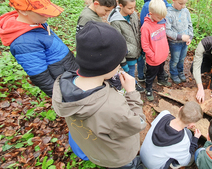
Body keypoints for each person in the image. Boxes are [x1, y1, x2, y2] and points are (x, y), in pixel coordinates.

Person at [52, 21, 147, 169]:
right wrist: (131, 92)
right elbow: (139, 123)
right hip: (119, 156)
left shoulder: (63, 83)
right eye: (117, 63)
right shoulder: (111, 108)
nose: (119, 66)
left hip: (98, 150)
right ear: (107, 65)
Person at [0, 0, 79, 98]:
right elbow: (41, 77)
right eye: (42, 12)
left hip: (68, 71)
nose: (47, 15)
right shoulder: (23, 42)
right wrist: (62, 97)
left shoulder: (36, 22)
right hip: (63, 80)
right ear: (23, 11)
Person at [140, 102, 203, 169]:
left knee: (188, 133)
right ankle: (174, 165)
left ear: (180, 109)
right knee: (189, 157)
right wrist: (195, 139)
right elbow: (185, 162)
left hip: (143, 154)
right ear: (192, 125)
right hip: (154, 166)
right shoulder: (183, 141)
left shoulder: (164, 114)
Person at [108, 0, 145, 93]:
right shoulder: (116, 22)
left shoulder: (133, 15)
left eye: (134, 7)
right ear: (121, 6)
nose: (133, 10)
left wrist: (141, 48)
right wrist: (123, 62)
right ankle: (132, 87)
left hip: (137, 49)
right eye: (130, 8)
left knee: (138, 67)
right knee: (130, 71)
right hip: (128, 54)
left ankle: (137, 80)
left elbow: (138, 31)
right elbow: (117, 44)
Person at [141, 0, 172, 101]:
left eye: (163, 16)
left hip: (162, 55)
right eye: (159, 17)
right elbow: (145, 45)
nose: (162, 18)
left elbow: (164, 36)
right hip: (153, 59)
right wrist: (153, 56)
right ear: (151, 14)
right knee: (150, 75)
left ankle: (161, 80)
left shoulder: (161, 21)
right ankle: (148, 88)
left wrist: (166, 50)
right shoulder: (146, 27)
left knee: (161, 69)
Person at [166, 0, 193, 84]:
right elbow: (167, 31)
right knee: (175, 59)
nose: (183, 6)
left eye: (185, 3)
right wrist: (180, 37)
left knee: (182, 59)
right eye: (180, 3)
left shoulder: (185, 11)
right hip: (175, 42)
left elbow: (190, 25)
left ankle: (180, 72)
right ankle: (173, 74)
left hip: (184, 42)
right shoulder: (169, 13)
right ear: (174, 0)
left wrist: (190, 36)